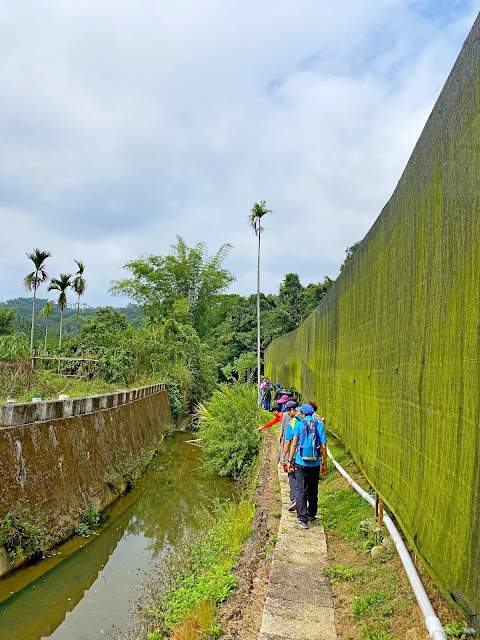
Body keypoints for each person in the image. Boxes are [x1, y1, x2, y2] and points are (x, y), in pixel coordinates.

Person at [287, 404, 327, 529]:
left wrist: (289, 461)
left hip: (301, 463)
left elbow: (293, 445)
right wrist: (324, 463)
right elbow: (323, 447)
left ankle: (302, 519)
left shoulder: (299, 425)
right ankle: (311, 515)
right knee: (313, 489)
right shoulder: (319, 425)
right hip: (315, 463)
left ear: (303, 414)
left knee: (301, 489)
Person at [279, 400, 300, 511]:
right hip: (310, 457)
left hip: (296, 455)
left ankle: (294, 500)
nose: (288, 414)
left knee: (292, 476)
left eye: (288, 411)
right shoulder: (307, 419)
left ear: (292, 410)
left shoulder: (293, 422)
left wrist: (285, 458)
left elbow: (289, 442)